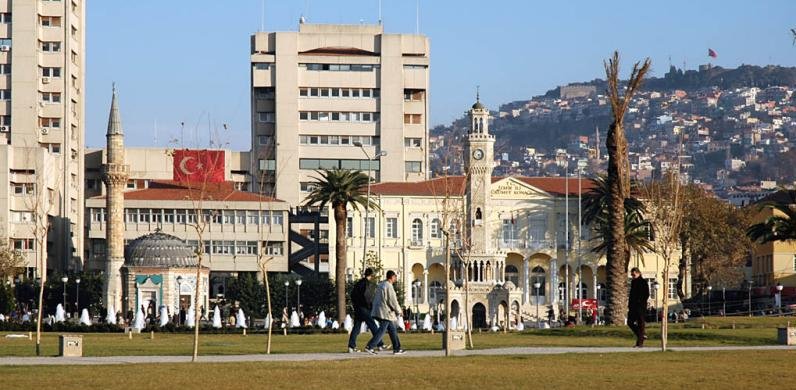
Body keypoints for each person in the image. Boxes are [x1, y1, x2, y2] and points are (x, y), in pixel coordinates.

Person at [365, 270, 405, 355]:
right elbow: (392, 300)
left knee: (392, 329)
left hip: (379, 310)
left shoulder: (381, 284)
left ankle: (397, 348)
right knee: (382, 330)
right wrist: (399, 311)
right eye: (395, 276)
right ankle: (370, 346)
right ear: (392, 277)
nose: (396, 278)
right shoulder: (388, 286)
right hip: (385, 311)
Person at [347, 268, 385, 353]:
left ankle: (351, 346)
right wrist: (370, 307)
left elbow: (352, 295)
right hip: (364, 308)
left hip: (357, 308)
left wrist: (355, 305)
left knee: (356, 327)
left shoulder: (358, 283)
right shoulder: (368, 284)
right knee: (373, 325)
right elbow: (368, 297)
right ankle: (380, 344)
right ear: (371, 275)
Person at [628, 267, 650, 347]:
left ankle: (639, 343)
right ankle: (641, 336)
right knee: (630, 322)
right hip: (633, 306)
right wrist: (630, 305)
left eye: (633, 274)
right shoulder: (633, 282)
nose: (632, 276)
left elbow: (646, 294)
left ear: (638, 273)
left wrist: (640, 302)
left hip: (640, 306)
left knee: (641, 323)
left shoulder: (643, 282)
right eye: (631, 275)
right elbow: (631, 295)